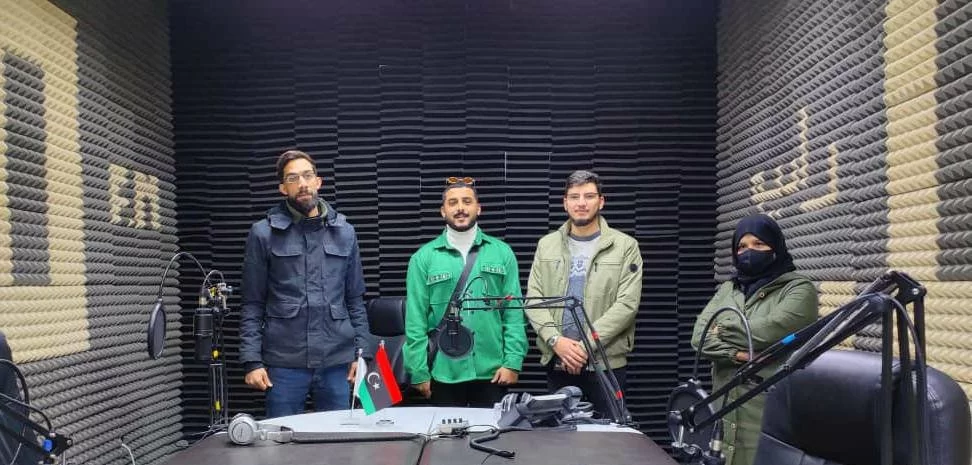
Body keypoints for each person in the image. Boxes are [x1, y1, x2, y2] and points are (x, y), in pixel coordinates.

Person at [240, 150, 371, 418]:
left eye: (307, 176)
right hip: (284, 363)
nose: (302, 184)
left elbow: (355, 299)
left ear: (318, 182)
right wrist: (252, 361)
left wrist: (362, 354)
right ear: (282, 188)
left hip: (337, 361)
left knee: (337, 439)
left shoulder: (345, 232)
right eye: (293, 178)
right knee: (282, 438)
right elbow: (253, 302)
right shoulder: (263, 233)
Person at [690, 213, 818, 465]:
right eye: (742, 246)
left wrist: (720, 328)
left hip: (768, 416)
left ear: (775, 246)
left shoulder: (799, 290)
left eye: (758, 244)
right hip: (724, 414)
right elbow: (698, 338)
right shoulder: (729, 289)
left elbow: (765, 332)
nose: (749, 252)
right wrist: (738, 354)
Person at [525, 170, 643, 418]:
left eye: (589, 196)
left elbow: (626, 305)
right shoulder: (546, 245)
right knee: (560, 435)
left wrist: (583, 347)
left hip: (606, 364)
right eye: (574, 196)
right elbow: (534, 299)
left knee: (609, 436)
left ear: (601, 201)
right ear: (565, 202)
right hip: (558, 361)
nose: (581, 203)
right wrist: (555, 341)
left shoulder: (625, 246)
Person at [403, 177, 528, 407]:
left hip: (492, 370)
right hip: (442, 371)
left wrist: (513, 361)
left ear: (478, 208)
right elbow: (415, 319)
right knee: (444, 432)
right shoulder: (423, 258)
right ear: (443, 211)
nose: (460, 208)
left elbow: (513, 312)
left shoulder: (502, 253)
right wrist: (418, 371)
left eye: (467, 201)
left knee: (491, 430)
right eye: (453, 203)